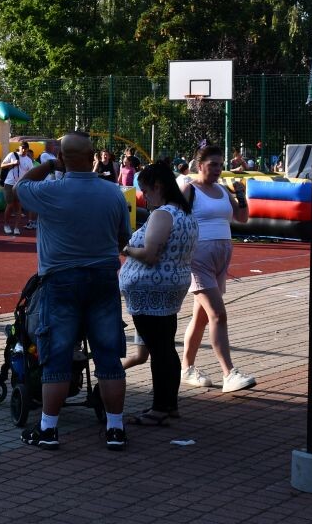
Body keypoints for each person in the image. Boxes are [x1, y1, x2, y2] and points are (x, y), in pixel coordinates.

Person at [15, 131, 131, 451]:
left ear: (62, 158)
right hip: (103, 278)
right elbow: (124, 238)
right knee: (108, 357)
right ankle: (115, 428)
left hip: (60, 279)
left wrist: (50, 165)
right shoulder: (113, 193)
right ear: (93, 157)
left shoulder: (50, 191)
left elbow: (19, 186)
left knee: (57, 355)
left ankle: (49, 429)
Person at [119, 161, 198, 425]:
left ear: (159, 186)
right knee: (166, 346)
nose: (144, 196)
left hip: (151, 289)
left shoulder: (163, 214)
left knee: (159, 349)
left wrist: (126, 249)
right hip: (171, 286)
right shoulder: (185, 214)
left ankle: (159, 408)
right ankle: (169, 404)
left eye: (146, 190)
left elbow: (150, 254)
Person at [180, 144, 257, 393]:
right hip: (198, 260)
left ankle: (187, 369)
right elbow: (175, 218)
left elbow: (242, 218)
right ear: (199, 165)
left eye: (220, 165)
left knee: (201, 317)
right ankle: (229, 373)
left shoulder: (222, 190)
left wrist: (241, 195)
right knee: (217, 315)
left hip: (220, 260)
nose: (217, 169)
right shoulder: (189, 189)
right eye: (213, 164)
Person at [0, 141, 33, 236]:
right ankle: (6, 225)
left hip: (20, 184)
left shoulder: (29, 160)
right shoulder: (12, 155)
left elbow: (30, 173)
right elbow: (2, 165)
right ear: (19, 147)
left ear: (27, 149)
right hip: (9, 183)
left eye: (25, 148)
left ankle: (16, 227)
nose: (23, 150)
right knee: (10, 205)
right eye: (22, 148)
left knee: (18, 206)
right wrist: (12, 163)